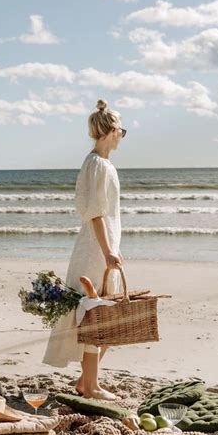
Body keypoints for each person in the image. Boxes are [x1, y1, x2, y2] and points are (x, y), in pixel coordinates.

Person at [42, 99, 126, 400]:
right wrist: (107, 252)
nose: (122, 136)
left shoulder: (104, 164)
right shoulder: (95, 165)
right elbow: (94, 213)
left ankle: (86, 381)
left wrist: (112, 248)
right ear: (110, 131)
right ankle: (90, 385)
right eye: (122, 130)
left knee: (106, 319)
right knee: (96, 315)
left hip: (104, 246)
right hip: (95, 249)